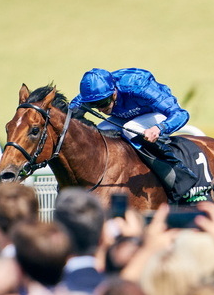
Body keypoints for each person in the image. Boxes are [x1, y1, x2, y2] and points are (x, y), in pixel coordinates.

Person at [69, 68, 206, 203]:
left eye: (103, 103)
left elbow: (181, 114)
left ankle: (178, 177)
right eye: (93, 105)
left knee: (130, 128)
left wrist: (159, 128)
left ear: (114, 91)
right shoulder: (91, 94)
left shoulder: (137, 86)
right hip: (127, 117)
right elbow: (69, 114)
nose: (100, 109)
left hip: (160, 115)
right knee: (98, 133)